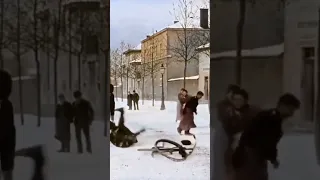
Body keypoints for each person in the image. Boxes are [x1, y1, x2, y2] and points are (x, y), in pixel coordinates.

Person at [232, 93, 300, 180]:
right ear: (283, 106)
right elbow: (267, 141)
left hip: (254, 155)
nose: (291, 113)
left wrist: (272, 158)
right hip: (251, 155)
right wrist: (272, 158)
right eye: (291, 109)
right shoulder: (271, 118)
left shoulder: (272, 117)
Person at [212, 84, 240, 180]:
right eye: (231, 94)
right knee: (222, 163)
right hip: (224, 136)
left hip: (231, 137)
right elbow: (224, 119)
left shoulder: (236, 106)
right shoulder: (223, 105)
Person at [0, 69, 15, 180]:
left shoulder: (5, 105)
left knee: (7, 170)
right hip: (8, 145)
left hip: (6, 144)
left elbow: (5, 129)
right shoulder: (7, 104)